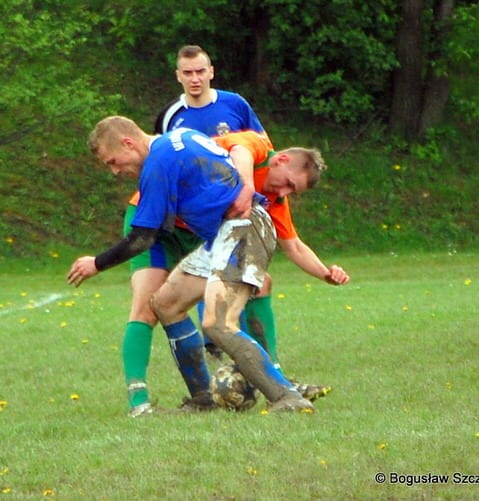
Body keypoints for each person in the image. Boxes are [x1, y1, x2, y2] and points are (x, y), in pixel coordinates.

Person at [68, 116, 350, 415]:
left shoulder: (160, 160)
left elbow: (143, 238)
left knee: (217, 323)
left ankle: (286, 397)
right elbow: (237, 152)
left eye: (113, 161)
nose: (114, 170)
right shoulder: (179, 137)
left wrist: (95, 264)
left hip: (244, 230)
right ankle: (203, 399)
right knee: (165, 303)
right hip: (223, 233)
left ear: (128, 143)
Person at [118, 45, 272, 417]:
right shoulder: (171, 116)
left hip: (215, 218)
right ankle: (143, 400)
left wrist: (248, 189)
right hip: (163, 222)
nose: (195, 78)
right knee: (149, 305)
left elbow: (258, 146)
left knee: (256, 287)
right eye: (187, 73)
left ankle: (268, 376)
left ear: (211, 71)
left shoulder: (235, 105)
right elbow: (154, 165)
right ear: (178, 76)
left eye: (200, 71)